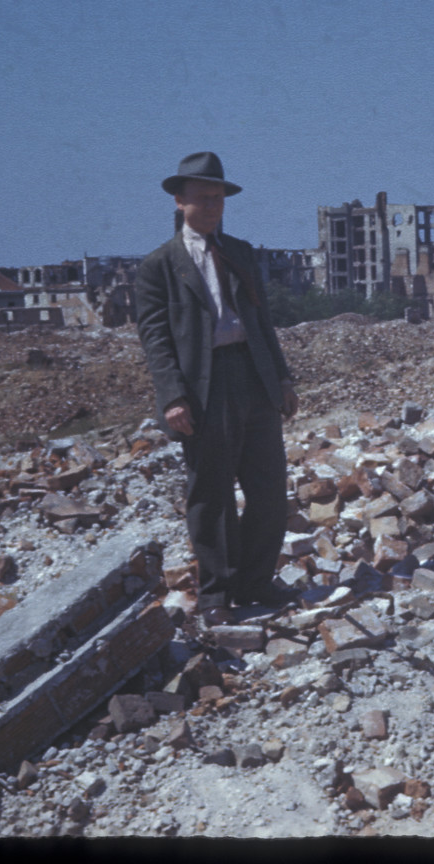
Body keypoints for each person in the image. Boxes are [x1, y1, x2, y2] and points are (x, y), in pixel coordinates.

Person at [136, 151, 300, 619]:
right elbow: (156, 340)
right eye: (202, 199)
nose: (212, 207)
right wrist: (172, 397)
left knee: (269, 489)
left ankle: (256, 582)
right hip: (203, 387)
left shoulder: (241, 253)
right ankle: (216, 594)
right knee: (211, 494)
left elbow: (263, 323)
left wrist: (282, 378)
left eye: (219, 199)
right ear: (178, 200)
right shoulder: (159, 267)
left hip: (253, 376)